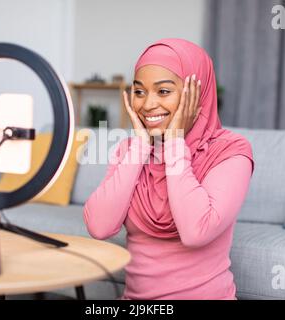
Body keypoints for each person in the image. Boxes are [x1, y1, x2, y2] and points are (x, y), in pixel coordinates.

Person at [83, 38, 255, 300]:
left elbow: (196, 232)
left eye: (163, 92)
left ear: (198, 94)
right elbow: (99, 226)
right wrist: (141, 146)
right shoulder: (129, 150)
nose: (148, 104)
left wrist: (174, 144)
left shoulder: (231, 151)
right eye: (139, 92)